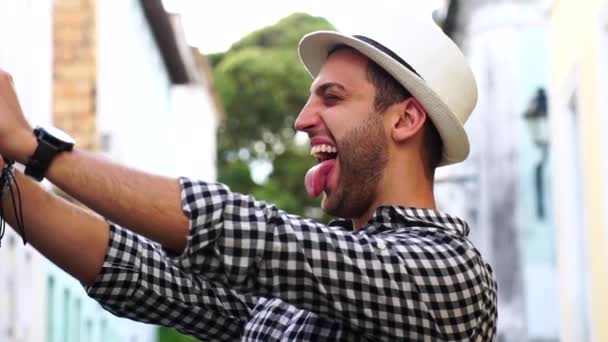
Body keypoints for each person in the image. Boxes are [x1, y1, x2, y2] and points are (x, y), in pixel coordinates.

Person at [0, 15, 496, 342]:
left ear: (406, 120)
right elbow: (146, 278)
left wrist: (34, 145)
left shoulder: (450, 274)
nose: (302, 120)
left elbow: (251, 234)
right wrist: (7, 181)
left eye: (333, 97)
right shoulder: (315, 281)